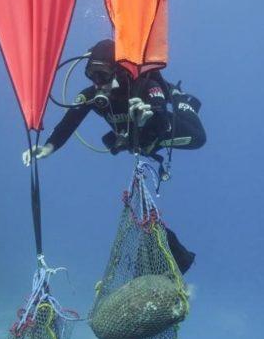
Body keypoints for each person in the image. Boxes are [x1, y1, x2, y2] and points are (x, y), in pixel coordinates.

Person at [21, 39, 205, 274]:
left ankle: (180, 97)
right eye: (92, 75)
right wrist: (47, 148)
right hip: (135, 141)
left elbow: (158, 110)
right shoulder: (92, 96)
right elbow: (69, 123)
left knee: (198, 138)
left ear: (117, 71)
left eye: (103, 75)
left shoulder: (144, 86)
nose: (98, 84)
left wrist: (149, 115)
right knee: (119, 142)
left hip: (159, 133)